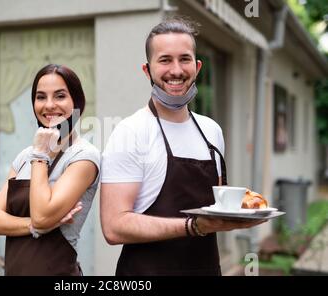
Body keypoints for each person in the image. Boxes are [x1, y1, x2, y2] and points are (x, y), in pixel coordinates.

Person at [100, 17, 264, 276]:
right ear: (147, 70)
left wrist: (245, 211)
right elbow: (113, 226)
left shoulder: (212, 131)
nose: (176, 70)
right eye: (165, 60)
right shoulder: (130, 132)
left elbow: (217, 208)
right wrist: (193, 226)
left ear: (197, 67)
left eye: (184, 59)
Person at [0, 64, 100, 276]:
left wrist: (40, 155)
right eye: (40, 97)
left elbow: (42, 216)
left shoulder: (83, 156)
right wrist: (34, 226)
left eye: (59, 96)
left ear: (77, 102)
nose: (49, 105)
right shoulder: (24, 157)